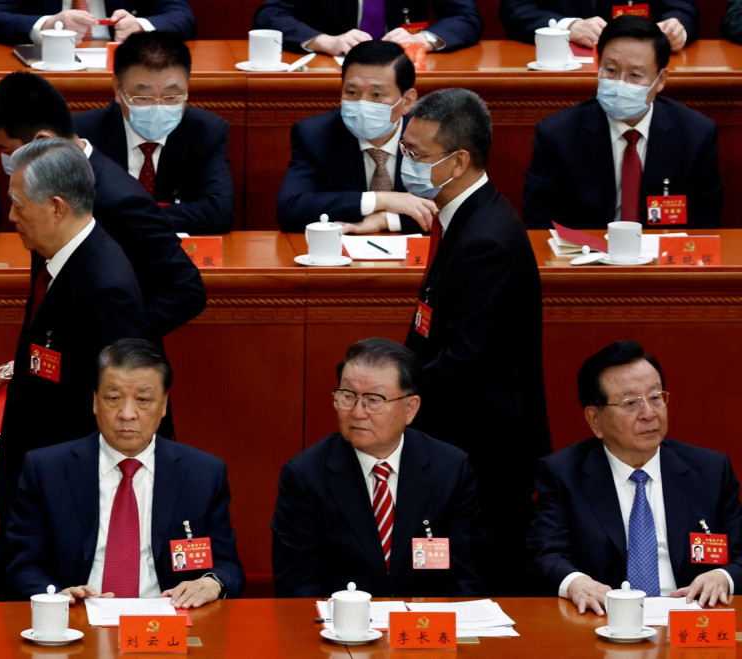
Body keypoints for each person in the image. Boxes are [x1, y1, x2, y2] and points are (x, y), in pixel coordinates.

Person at [402, 88, 550, 595]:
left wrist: (399, 394)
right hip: (467, 434)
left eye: (417, 155)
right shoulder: (465, 217)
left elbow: (463, 359)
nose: (408, 165)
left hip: (487, 450)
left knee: (485, 576)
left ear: (458, 160)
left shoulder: (485, 238)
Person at [0, 136, 149, 600]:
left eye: (18, 204)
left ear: (56, 206)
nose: (11, 216)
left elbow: (115, 405)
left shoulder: (105, 286)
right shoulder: (55, 255)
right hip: (34, 476)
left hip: (65, 498)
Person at [7, 338, 244, 606]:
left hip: (169, 625)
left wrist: (211, 582)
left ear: (164, 404)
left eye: (143, 399)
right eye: (114, 398)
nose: (127, 413)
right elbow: (21, 564)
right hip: (76, 621)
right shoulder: (47, 469)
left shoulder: (202, 474)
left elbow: (228, 567)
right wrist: (57, 597)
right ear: (95, 401)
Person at [0, 72, 205, 348]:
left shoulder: (120, 200)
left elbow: (186, 290)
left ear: (42, 140)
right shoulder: (44, 187)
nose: (6, 160)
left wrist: (112, 340)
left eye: (6, 149)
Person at [528, 341, 742, 613]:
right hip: (605, 619)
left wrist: (722, 577)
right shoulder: (562, 474)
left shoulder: (710, 470)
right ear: (595, 420)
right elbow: (546, 554)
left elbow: (739, 553)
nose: (649, 414)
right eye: (630, 403)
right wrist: (577, 583)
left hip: (691, 618)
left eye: (655, 398)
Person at [271, 338, 483, 597]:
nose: (358, 412)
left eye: (374, 400)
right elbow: (297, 587)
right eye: (348, 396)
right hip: (342, 631)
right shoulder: (306, 476)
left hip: (425, 626)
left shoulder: (450, 468)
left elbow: (466, 579)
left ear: (410, 408)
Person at [522, 16, 721, 230]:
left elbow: (705, 225)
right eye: (611, 70)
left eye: (635, 75)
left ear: (661, 80)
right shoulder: (557, 134)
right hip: (585, 258)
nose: (620, 83)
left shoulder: (696, 135)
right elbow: (539, 224)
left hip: (663, 257)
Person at [74, 31, 233, 234]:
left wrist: (125, 216)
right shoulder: (82, 134)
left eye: (171, 97)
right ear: (117, 90)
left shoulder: (207, 132)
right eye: (143, 97)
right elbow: (67, 212)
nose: (158, 107)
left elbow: (218, 213)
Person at [277, 41, 436, 235]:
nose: (362, 104)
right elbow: (291, 210)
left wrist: (386, 220)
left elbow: (459, 210)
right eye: (352, 93)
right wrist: (381, 200)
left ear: (407, 101)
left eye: (377, 94)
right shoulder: (315, 135)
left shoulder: (435, 136)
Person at [252, 0, 482, 55]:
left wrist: (425, 39)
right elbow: (271, 15)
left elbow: (465, 16)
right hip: (333, 71)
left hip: (406, 69)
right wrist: (322, 40)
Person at [500, 0, 695, 51]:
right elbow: (515, 10)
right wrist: (568, 27)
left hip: (639, 67)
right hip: (560, 71)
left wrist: (677, 30)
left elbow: (682, 9)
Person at [0, 0, 195, 46]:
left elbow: (181, 15)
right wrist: (48, 25)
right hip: (42, 68)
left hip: (123, 64)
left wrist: (140, 26)